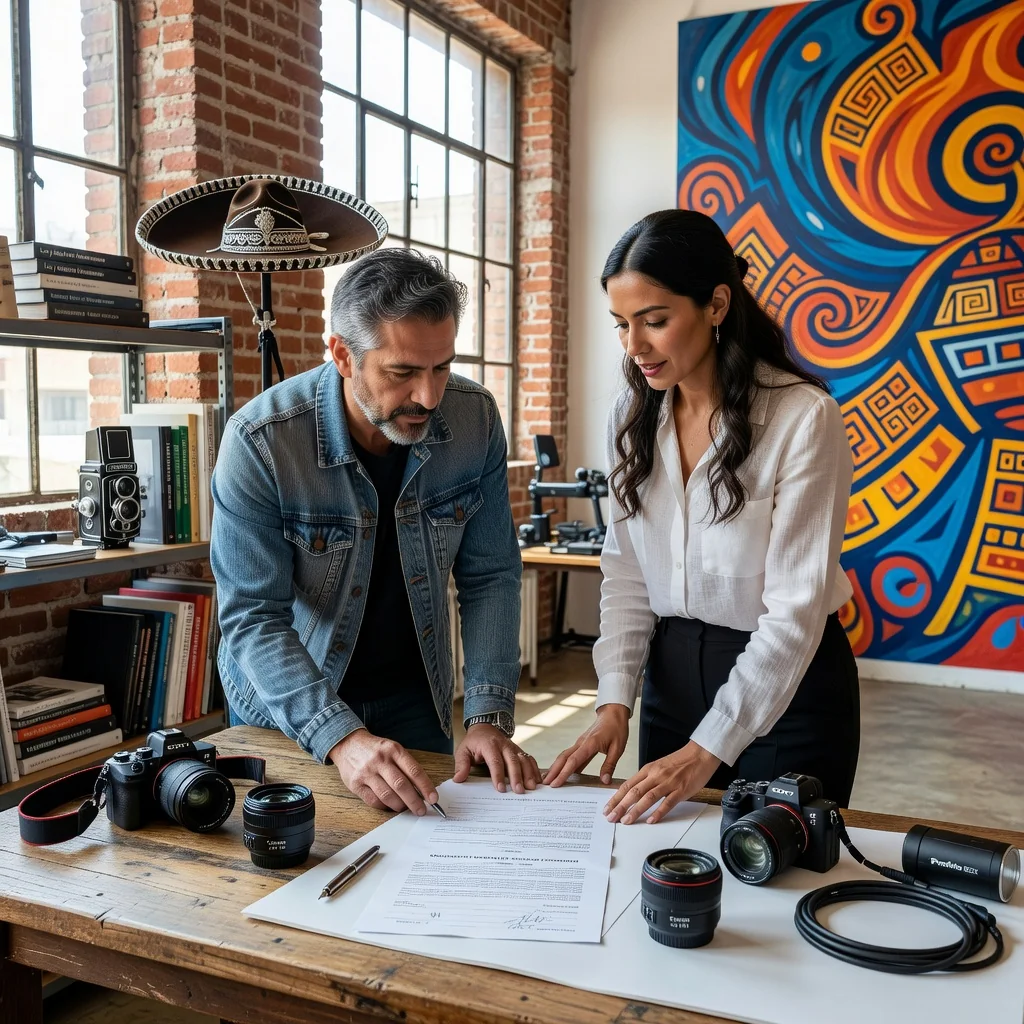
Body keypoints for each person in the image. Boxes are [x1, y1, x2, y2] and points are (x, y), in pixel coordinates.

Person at [546, 209, 858, 823]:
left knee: (775, 876)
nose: (634, 346)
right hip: (673, 680)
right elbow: (628, 575)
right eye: (621, 325)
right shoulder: (630, 418)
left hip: (787, 684)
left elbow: (795, 612)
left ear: (716, 304)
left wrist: (708, 748)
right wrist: (615, 702)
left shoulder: (801, 418)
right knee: (669, 866)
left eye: (655, 321)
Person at [211, 248, 541, 814]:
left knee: (429, 864)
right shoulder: (261, 442)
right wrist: (338, 735)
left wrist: (487, 716)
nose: (429, 397)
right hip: (287, 705)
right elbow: (251, 619)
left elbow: (490, 577)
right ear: (342, 354)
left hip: (416, 697)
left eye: (441, 367)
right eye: (402, 372)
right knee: (288, 874)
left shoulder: (475, 419)